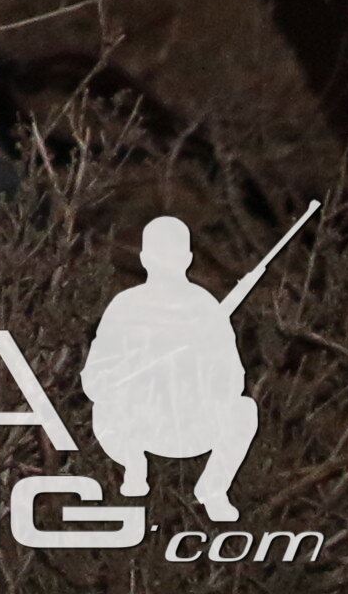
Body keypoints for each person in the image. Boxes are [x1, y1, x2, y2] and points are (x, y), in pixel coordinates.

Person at [85, 213, 271, 520]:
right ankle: (133, 468)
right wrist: (138, 371)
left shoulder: (205, 308)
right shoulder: (125, 307)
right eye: (160, 255)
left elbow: (233, 379)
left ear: (187, 258)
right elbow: (95, 377)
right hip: (139, 421)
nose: (166, 262)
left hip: (190, 422)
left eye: (172, 255)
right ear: (145, 258)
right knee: (104, 410)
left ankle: (213, 489)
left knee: (243, 410)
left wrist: (196, 363)